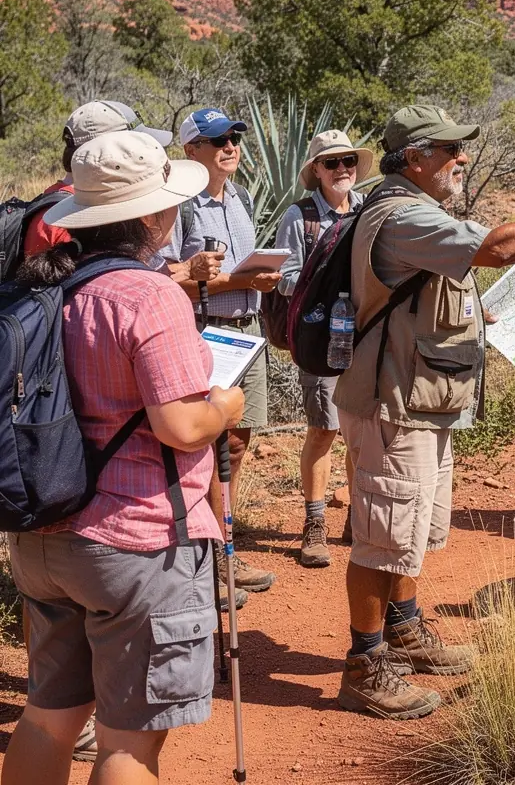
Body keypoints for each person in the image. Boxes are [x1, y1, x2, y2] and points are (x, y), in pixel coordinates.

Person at [335, 104, 515, 719]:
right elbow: (500, 248)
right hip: (396, 403)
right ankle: (366, 664)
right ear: (413, 158)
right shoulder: (403, 214)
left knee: (408, 532)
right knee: (382, 539)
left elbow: (433, 287)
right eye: (449, 149)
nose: (462, 158)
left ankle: (404, 630)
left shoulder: (415, 210)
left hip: (418, 398)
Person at [3, 131, 246, 785]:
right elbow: (179, 426)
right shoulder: (148, 296)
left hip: (44, 533)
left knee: (48, 719)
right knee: (129, 746)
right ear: (151, 215)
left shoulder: (46, 285)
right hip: (136, 543)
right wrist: (225, 408)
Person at [157, 108, 280, 608]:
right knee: (210, 442)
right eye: (217, 140)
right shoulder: (179, 207)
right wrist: (232, 280)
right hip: (205, 334)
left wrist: (260, 279)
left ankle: (223, 547)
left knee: (240, 440)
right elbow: (165, 276)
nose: (230, 146)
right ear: (192, 151)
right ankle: (208, 559)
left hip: (247, 333)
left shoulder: (242, 197)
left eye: (234, 137)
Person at [274, 130, 373, 567]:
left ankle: (357, 516)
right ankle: (315, 525)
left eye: (348, 160)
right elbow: (283, 276)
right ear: (316, 170)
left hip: (365, 336)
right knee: (325, 429)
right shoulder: (300, 218)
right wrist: (328, 289)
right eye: (331, 163)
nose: (342, 169)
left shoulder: (368, 210)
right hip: (320, 338)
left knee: (360, 430)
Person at [24, 101, 224, 289]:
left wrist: (186, 269)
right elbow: (111, 285)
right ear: (104, 147)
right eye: (133, 143)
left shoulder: (62, 206)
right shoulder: (74, 219)